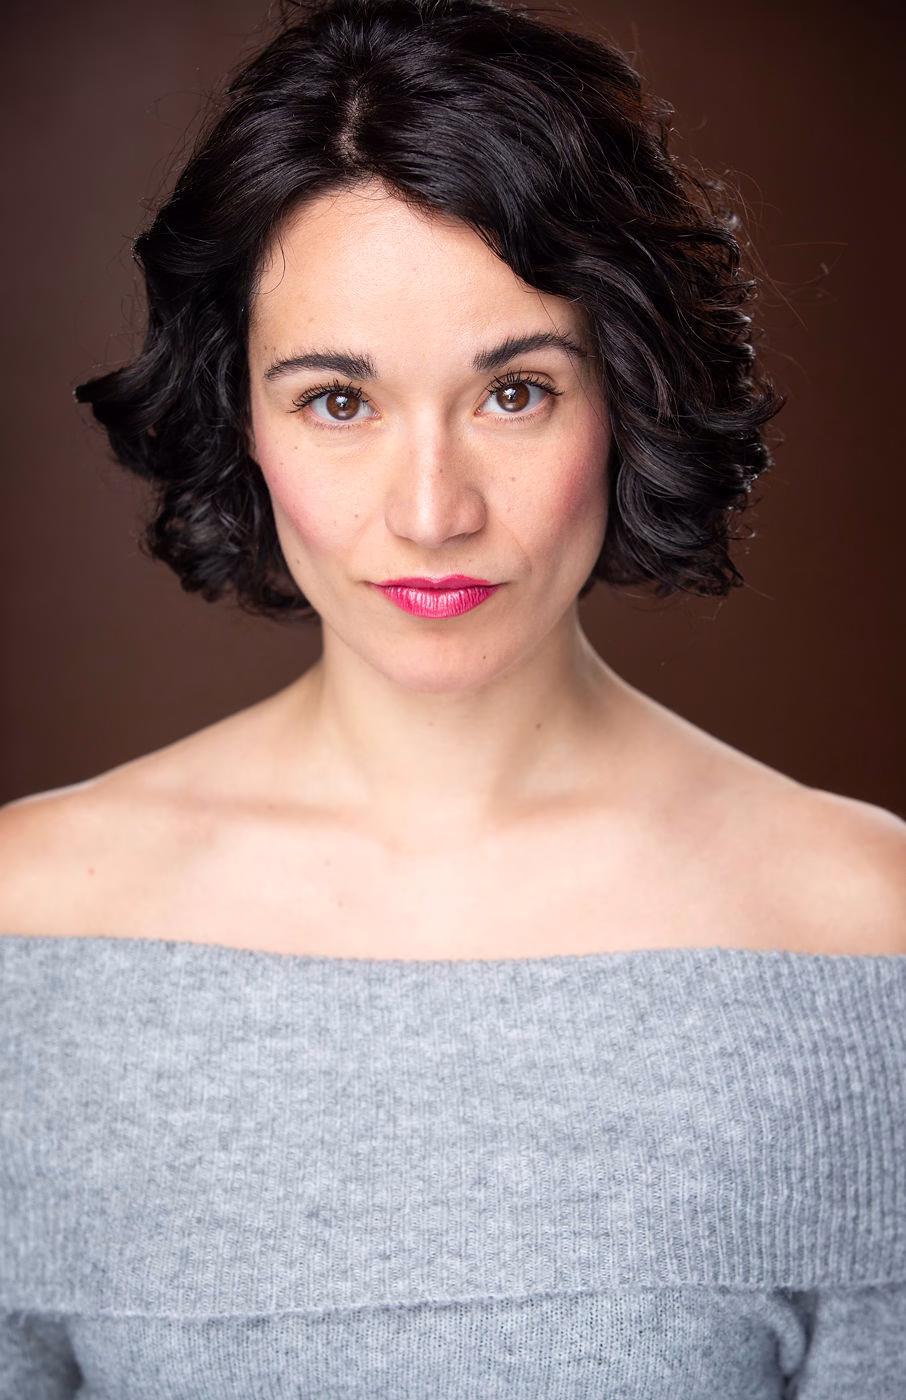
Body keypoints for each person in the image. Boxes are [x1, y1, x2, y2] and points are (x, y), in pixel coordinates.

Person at [0, 0, 903, 1394]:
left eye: (514, 392)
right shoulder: (30, 927)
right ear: (240, 419)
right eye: (338, 401)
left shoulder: (863, 936)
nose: (431, 514)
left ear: (628, 396)